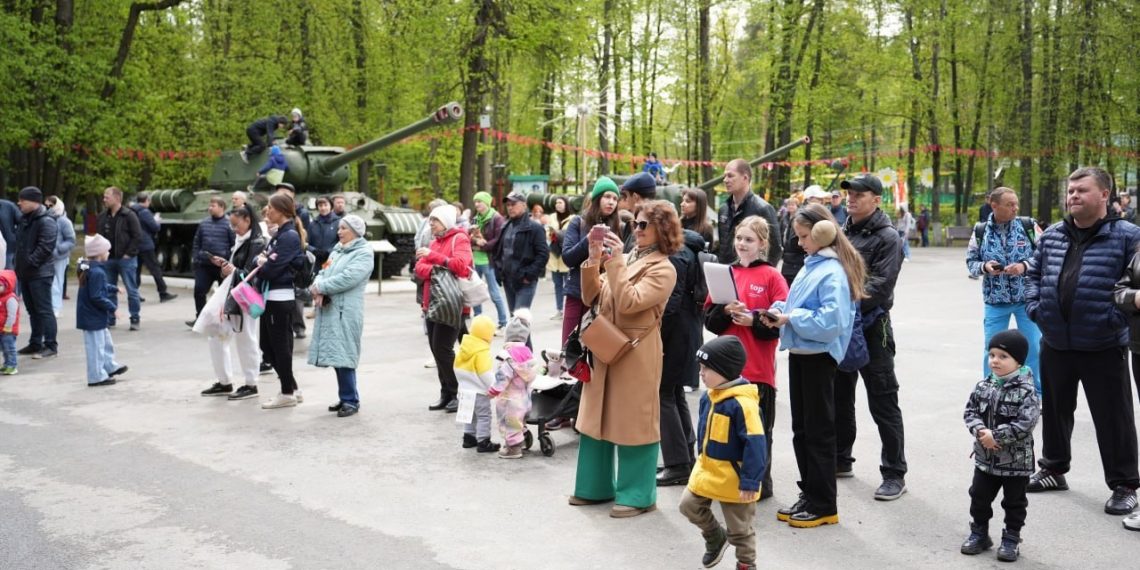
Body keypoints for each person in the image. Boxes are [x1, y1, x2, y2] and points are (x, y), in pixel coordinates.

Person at [1026, 167, 1140, 517]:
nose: (1073, 196)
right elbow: (1033, 272)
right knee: (1057, 410)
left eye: (1082, 190)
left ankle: (1124, 485)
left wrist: (1113, 319)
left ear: (1104, 195)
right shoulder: (1053, 235)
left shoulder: (1127, 236)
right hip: (1056, 340)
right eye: (1070, 190)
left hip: (1103, 343)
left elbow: (1132, 282)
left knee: (1113, 417)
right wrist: (1037, 309)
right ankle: (1054, 468)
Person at [568, 199, 679, 518]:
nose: (637, 229)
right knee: (596, 417)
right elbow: (591, 297)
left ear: (663, 229)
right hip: (606, 347)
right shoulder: (629, 259)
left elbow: (631, 303)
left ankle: (638, 494)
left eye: (645, 224)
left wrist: (614, 262)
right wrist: (592, 259)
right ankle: (594, 486)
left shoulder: (664, 268)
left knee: (634, 422)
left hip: (636, 352)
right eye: (636, 223)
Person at [765, 203, 865, 528]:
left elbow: (830, 322)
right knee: (802, 431)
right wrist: (775, 309)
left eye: (804, 236)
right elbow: (799, 304)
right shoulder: (813, 264)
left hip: (819, 358)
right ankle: (810, 493)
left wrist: (790, 318)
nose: (799, 243)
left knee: (819, 433)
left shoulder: (833, 271)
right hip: (801, 354)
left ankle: (824, 504)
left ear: (823, 234)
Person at [702, 216, 789, 497]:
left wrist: (754, 321)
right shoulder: (724, 273)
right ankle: (726, 480)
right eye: (739, 238)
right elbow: (709, 320)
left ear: (762, 243)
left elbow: (781, 322)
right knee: (724, 429)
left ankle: (760, 483)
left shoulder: (772, 277)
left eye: (749, 240)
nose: (742, 244)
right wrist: (725, 311)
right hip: (725, 371)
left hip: (758, 369)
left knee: (759, 431)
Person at [836, 174, 908, 501]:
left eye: (860, 194)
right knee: (840, 397)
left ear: (877, 199)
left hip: (871, 328)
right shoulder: (841, 230)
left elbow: (880, 286)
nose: (852, 198)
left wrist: (839, 300)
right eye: (850, 193)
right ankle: (840, 458)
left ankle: (894, 473)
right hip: (841, 327)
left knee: (883, 401)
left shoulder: (888, 237)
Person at [680, 336, 765, 570]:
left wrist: (750, 481)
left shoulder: (742, 404)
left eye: (706, 368)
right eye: (700, 368)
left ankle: (746, 564)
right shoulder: (709, 396)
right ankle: (715, 536)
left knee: (740, 530)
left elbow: (756, 444)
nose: (701, 373)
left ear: (725, 371)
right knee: (688, 505)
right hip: (707, 469)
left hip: (734, 479)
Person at [960, 330, 1040, 562]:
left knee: (1014, 503)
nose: (995, 360)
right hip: (985, 460)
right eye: (992, 354)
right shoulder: (984, 385)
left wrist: (997, 435)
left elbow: (1026, 423)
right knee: (978, 496)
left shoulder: (1027, 391)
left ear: (1018, 361)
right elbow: (970, 411)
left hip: (1016, 463)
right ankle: (980, 533)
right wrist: (980, 431)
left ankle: (1011, 538)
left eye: (1003, 356)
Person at [966, 187, 1042, 390]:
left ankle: (1035, 393)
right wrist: (985, 267)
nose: (1015, 208)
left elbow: (1045, 255)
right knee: (992, 349)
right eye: (1010, 205)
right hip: (995, 302)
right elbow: (971, 261)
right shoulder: (980, 230)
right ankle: (990, 392)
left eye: (1016, 204)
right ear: (994, 205)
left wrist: (1023, 266)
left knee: (1034, 347)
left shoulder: (1028, 226)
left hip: (1026, 299)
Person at [656, 226, 710, 487]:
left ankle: (677, 464)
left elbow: (671, 300)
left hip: (676, 332)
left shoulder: (677, 253)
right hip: (687, 329)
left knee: (664, 393)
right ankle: (684, 457)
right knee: (674, 392)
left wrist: (658, 337)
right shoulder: (688, 247)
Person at [308, 214, 374, 418]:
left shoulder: (363, 252)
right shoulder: (337, 250)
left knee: (345, 353)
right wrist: (318, 284)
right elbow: (324, 270)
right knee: (337, 353)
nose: (339, 232)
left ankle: (350, 400)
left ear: (355, 231)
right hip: (331, 308)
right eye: (339, 228)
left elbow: (348, 278)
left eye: (343, 228)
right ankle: (346, 395)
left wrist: (321, 287)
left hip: (346, 310)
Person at [199, 205, 266, 402]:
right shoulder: (242, 239)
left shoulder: (258, 242)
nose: (233, 229)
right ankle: (225, 381)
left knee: (247, 338)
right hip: (234, 291)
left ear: (247, 220)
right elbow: (240, 269)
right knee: (215, 333)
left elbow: (254, 273)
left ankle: (251, 383)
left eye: (236, 225)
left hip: (246, 296)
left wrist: (233, 270)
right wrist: (227, 267)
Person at [415, 205, 472, 413]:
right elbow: (419, 269)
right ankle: (446, 393)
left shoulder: (460, 239)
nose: (431, 224)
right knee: (435, 349)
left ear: (446, 221)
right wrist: (437, 267)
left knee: (442, 349)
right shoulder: (432, 242)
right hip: (432, 302)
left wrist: (434, 258)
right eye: (430, 220)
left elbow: (461, 266)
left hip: (451, 303)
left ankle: (457, 392)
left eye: (435, 221)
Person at [257, 194, 307, 410]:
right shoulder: (280, 235)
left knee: (279, 347)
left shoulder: (288, 237)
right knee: (268, 346)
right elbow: (259, 260)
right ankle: (293, 388)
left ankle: (286, 392)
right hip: (272, 298)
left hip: (280, 298)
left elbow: (269, 269)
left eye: (271, 207)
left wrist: (263, 263)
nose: (267, 211)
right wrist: (262, 261)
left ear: (282, 210)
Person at [560, 178, 622, 345]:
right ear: (597, 198)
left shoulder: (618, 227)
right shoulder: (578, 223)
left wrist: (609, 257)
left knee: (597, 351)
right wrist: (588, 240)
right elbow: (568, 258)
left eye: (615, 199)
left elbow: (621, 264)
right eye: (607, 197)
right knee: (570, 348)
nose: (611, 202)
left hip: (604, 298)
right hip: (577, 294)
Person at [76, 234, 128, 387]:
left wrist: (114, 288)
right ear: (99, 253)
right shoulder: (97, 272)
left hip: (93, 316)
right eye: (107, 250)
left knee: (104, 342)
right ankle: (96, 376)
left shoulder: (89, 267)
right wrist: (114, 309)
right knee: (96, 347)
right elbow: (97, 296)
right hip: (92, 317)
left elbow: (99, 288)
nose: (109, 253)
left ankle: (109, 366)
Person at [14, 186, 59, 359]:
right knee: (32, 310)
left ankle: (50, 345)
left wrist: (29, 263)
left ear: (33, 201)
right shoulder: (25, 219)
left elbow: (45, 247)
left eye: (22, 200)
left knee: (44, 309)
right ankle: (35, 343)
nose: (19, 203)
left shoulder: (46, 220)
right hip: (26, 272)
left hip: (40, 273)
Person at [488, 312, 537, 459]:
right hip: (524, 397)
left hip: (510, 399)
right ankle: (521, 439)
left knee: (510, 423)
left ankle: (513, 448)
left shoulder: (507, 356)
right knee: (519, 420)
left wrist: (493, 390)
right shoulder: (528, 353)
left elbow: (502, 377)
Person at [495, 190, 549, 317]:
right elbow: (499, 251)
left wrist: (528, 275)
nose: (510, 207)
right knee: (516, 322)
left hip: (525, 281)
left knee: (519, 321)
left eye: (513, 204)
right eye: (508, 205)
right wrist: (499, 270)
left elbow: (543, 254)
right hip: (508, 280)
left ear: (524, 205)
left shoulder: (535, 228)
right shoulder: (505, 226)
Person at [717, 159, 781, 265]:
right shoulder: (723, 209)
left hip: (752, 274)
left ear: (745, 178)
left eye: (730, 176)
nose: (725, 180)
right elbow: (722, 245)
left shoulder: (762, 208)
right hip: (726, 272)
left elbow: (775, 249)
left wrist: (763, 273)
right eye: (725, 176)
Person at [96, 187, 143, 331]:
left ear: (117, 198)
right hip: (108, 260)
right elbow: (97, 235)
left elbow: (137, 236)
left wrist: (129, 253)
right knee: (109, 290)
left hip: (126, 260)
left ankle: (134, 318)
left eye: (107, 197)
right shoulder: (103, 216)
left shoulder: (129, 215)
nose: (104, 200)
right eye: (104, 197)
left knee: (132, 290)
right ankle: (111, 318)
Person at [187, 197, 236, 327]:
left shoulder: (229, 224)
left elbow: (234, 245)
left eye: (213, 205)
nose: (210, 208)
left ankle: (224, 318)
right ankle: (200, 318)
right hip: (204, 265)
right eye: (210, 205)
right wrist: (196, 257)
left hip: (222, 267)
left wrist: (229, 263)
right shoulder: (204, 223)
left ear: (221, 207)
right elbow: (197, 242)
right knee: (199, 291)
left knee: (224, 294)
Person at [455, 315, 500, 452]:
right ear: (487, 335)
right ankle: (483, 441)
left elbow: (456, 368)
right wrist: (494, 386)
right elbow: (485, 373)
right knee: (484, 416)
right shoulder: (482, 352)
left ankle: (469, 438)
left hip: (464, 391)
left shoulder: (464, 348)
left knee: (469, 415)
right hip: (478, 393)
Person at [469, 192, 509, 332]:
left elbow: (499, 240)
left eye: (479, 201)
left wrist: (483, 245)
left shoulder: (497, 219)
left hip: (489, 260)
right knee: (475, 291)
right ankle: (478, 320)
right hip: (476, 260)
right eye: (475, 202)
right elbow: (468, 237)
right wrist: (476, 240)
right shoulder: (475, 219)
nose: (477, 204)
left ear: (487, 202)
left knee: (494, 292)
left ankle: (503, 322)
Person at [129, 193, 177, 304]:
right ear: (146, 200)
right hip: (145, 244)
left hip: (135, 244)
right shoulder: (145, 212)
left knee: (136, 270)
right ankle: (163, 292)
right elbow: (155, 227)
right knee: (155, 269)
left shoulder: (131, 211)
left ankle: (134, 294)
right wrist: (156, 220)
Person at [45, 196, 75, 317]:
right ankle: (50, 306)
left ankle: (56, 307)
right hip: (46, 256)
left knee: (58, 281)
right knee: (49, 282)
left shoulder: (64, 221)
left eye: (51, 206)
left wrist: (58, 250)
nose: (48, 208)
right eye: (46, 206)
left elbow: (71, 240)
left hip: (59, 257)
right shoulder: (46, 219)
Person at [546, 196, 574, 320]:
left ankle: (568, 310)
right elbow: (547, 233)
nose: (558, 205)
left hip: (566, 257)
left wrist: (559, 234)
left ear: (566, 204)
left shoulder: (573, 218)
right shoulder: (551, 217)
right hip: (554, 257)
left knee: (568, 286)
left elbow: (571, 235)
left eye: (561, 202)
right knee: (557, 285)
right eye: (556, 203)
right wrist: (552, 234)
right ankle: (559, 310)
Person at [618, 172, 659, 251]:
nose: (626, 200)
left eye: (626, 196)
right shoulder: (660, 225)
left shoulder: (650, 229)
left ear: (635, 197)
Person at [307, 197, 340, 269]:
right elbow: (306, 242)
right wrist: (314, 251)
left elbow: (341, 241)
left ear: (331, 206)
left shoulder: (338, 222)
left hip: (333, 259)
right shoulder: (313, 224)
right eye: (320, 206)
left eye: (325, 205)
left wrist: (329, 251)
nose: (323, 208)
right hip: (316, 260)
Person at [780, 197, 806, 287]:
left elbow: (796, 242)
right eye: (789, 205)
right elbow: (780, 232)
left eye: (792, 205)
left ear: (797, 206)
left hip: (795, 259)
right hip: (786, 256)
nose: (790, 207)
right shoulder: (784, 217)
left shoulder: (800, 218)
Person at [0, 269, 20, 375]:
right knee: (3, 348)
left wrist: (8, 327)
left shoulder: (10, 299)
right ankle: (7, 363)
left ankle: (12, 365)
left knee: (9, 348)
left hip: (8, 330)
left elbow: (12, 315)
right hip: (1, 328)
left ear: (7, 285)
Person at [0, 198, 19, 268]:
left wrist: (14, 236)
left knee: (8, 273)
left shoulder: (8, 206)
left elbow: (22, 222)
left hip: (9, 249)